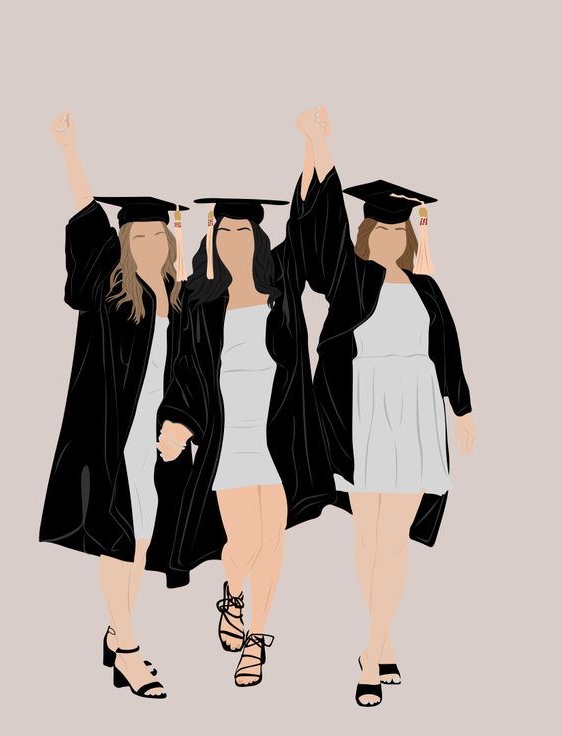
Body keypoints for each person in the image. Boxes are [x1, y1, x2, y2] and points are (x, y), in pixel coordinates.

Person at [292, 108, 476, 707]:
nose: (392, 239)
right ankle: (385, 636)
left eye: (401, 232)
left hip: (417, 415)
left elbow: (446, 346)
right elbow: (320, 247)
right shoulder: (355, 281)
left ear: (411, 235)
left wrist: (463, 408)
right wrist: (319, 150)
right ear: (368, 233)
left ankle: (370, 653)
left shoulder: (426, 287)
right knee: (369, 539)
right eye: (382, 231)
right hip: (365, 415)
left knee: (392, 539)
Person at [39, 111, 192, 700]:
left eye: (158, 235)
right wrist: (70, 150)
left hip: (157, 437)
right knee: (118, 538)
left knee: (144, 542)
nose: (151, 242)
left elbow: (190, 370)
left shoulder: (179, 299)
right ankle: (128, 647)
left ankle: (115, 630)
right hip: (110, 432)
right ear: (127, 242)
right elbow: (87, 218)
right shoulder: (108, 284)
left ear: (170, 239)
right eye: (140, 236)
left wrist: (183, 419)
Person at [155, 190, 337, 687]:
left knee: (272, 539)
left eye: (244, 232)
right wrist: (177, 422)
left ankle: (256, 638)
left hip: (279, 433)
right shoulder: (197, 300)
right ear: (210, 237)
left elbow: (306, 228)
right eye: (224, 231)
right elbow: (185, 371)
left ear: (259, 238)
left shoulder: (280, 282)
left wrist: (314, 152)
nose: (234, 240)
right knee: (245, 540)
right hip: (228, 436)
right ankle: (233, 590)